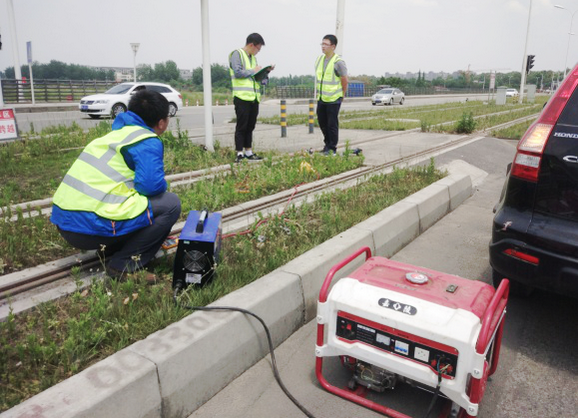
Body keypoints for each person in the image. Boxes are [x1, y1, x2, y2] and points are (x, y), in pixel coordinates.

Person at [50, 90, 181, 283]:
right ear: (161, 123)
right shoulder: (147, 140)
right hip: (89, 228)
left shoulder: (113, 136)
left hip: (65, 223)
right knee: (170, 204)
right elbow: (151, 187)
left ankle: (112, 248)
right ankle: (123, 265)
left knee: (137, 202)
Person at [229, 32, 274, 163]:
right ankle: (239, 153)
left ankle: (249, 151)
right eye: (258, 49)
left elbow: (255, 77)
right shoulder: (237, 54)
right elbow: (238, 73)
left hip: (253, 98)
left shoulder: (253, 58)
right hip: (241, 97)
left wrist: (265, 72)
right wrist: (253, 71)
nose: (258, 52)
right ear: (251, 45)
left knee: (250, 126)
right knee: (242, 126)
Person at [315, 34, 348, 156]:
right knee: (322, 122)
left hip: (334, 98)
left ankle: (332, 148)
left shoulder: (338, 62)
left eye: (326, 44)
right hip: (322, 97)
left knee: (331, 124)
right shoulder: (319, 59)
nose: (323, 46)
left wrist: (342, 94)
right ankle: (327, 145)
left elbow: (344, 79)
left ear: (333, 47)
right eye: (322, 44)